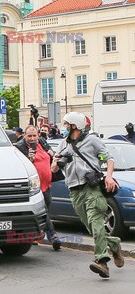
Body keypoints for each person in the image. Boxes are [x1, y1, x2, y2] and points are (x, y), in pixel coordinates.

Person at [51, 112, 123, 278]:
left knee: (95, 221)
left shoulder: (92, 140)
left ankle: (102, 261)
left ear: (74, 126)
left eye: (66, 124)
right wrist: (56, 161)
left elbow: (108, 158)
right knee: (91, 226)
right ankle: (114, 244)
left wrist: (109, 176)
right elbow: (53, 169)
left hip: (91, 188)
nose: (63, 127)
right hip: (74, 191)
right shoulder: (63, 144)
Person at [15, 125, 61, 250]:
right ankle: (54, 237)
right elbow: (20, 167)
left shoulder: (42, 142)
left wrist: (54, 155)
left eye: (34, 135)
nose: (32, 138)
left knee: (44, 210)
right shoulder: (19, 147)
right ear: (24, 135)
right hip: (33, 187)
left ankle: (34, 235)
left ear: (38, 135)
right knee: (43, 211)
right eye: (29, 136)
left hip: (46, 184)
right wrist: (30, 158)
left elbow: (51, 154)